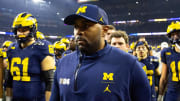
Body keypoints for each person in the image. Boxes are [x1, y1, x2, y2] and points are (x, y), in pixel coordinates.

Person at [50, 4, 151, 101]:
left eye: (85, 26)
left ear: (104, 31)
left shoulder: (129, 64)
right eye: (76, 26)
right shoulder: (63, 63)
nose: (78, 32)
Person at [5, 12, 55, 101]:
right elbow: (9, 79)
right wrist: (8, 99)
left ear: (32, 29)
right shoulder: (11, 49)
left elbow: (50, 82)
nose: (20, 33)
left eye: (24, 30)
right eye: (18, 30)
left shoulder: (42, 47)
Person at [158, 21, 180, 101]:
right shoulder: (167, 52)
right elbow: (163, 77)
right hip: (173, 92)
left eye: (178, 34)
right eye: (173, 34)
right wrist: (160, 95)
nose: (175, 37)